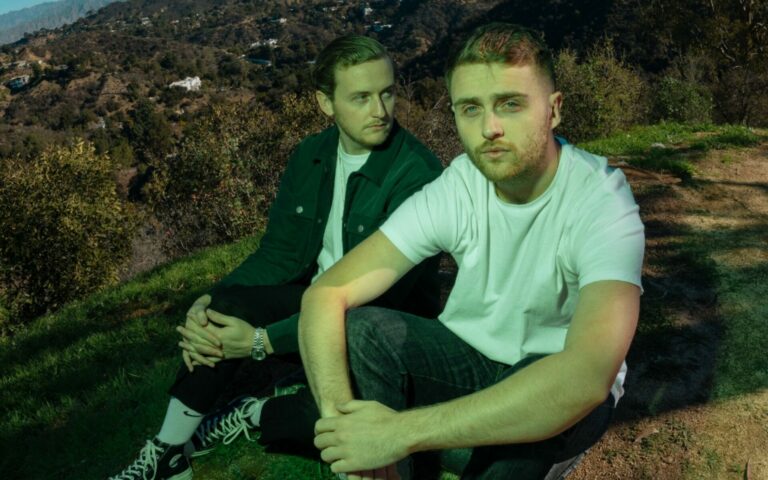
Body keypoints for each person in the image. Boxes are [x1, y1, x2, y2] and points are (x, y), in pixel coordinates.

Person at [299, 23, 645, 480]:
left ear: (554, 110)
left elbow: (585, 377)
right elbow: (325, 294)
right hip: (468, 359)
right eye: (470, 109)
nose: (490, 128)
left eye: (510, 104)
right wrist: (347, 427)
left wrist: (400, 432)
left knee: (522, 438)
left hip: (555, 383)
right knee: (363, 331)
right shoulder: (461, 185)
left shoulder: (602, 201)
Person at [108, 35, 443, 480]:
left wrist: (260, 342)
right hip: (314, 304)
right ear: (326, 104)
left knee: (334, 430)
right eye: (361, 98)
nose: (380, 111)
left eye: (387, 93)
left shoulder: (417, 174)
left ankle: (256, 411)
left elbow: (377, 300)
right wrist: (211, 301)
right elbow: (279, 253)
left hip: (380, 327)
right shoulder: (310, 156)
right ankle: (168, 453)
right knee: (223, 310)